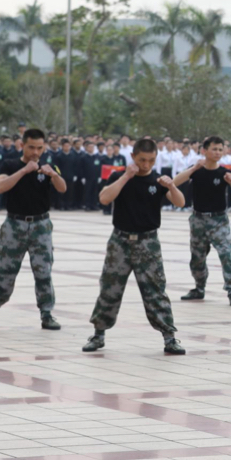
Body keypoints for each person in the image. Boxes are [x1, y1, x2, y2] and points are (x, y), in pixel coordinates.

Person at [83, 138, 187, 355]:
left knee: (156, 291)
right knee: (110, 288)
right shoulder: (119, 177)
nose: (146, 165)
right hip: (120, 241)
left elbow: (180, 202)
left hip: (148, 242)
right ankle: (99, 334)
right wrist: (126, 176)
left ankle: (169, 337)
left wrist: (171, 186)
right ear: (132, 157)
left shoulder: (158, 181)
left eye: (151, 160)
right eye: (142, 160)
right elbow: (104, 198)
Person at [0, 129, 67, 330]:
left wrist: (53, 174)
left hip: (41, 225)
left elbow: (62, 188)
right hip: (14, 224)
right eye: (31, 147)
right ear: (22, 146)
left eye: (39, 148)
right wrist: (24, 171)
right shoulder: (10, 165)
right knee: (3, 269)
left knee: (43, 271)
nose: (35, 152)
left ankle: (46, 313)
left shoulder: (48, 166)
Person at [175, 136, 231, 307]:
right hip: (198, 220)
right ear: (204, 151)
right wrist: (193, 169)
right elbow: (175, 182)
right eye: (214, 149)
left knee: (225, 254)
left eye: (220, 149)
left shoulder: (225, 173)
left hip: (219, 220)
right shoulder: (196, 170)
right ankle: (199, 288)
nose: (217, 152)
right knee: (197, 257)